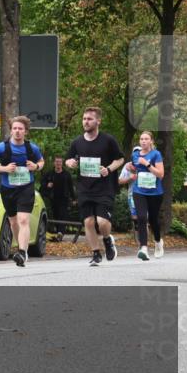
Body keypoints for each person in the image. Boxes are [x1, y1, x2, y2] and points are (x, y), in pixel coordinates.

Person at [65, 106, 125, 266]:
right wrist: (70, 163)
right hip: (85, 188)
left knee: (102, 222)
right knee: (88, 222)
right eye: (84, 119)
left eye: (89, 119)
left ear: (98, 121)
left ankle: (107, 239)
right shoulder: (77, 142)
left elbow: (120, 159)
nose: (86, 122)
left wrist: (108, 169)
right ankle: (96, 253)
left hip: (104, 187)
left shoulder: (108, 140)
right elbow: (68, 159)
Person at [0, 116, 44, 267]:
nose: (17, 131)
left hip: (26, 187)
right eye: (15, 128)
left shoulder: (32, 148)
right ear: (11, 131)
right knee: (13, 222)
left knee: (23, 220)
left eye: (20, 129)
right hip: (8, 189)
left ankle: (22, 252)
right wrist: (4, 168)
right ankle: (21, 248)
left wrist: (36, 167)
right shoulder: (1, 148)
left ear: (25, 132)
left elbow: (41, 161)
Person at [125, 132, 165, 260]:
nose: (143, 141)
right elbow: (136, 169)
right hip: (139, 191)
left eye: (146, 139)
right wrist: (130, 168)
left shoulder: (156, 154)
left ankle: (158, 242)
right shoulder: (135, 154)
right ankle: (143, 248)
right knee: (141, 217)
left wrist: (147, 164)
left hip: (155, 192)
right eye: (141, 139)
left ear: (151, 141)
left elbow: (160, 174)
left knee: (153, 219)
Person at [40, 155, 75, 241]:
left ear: (62, 163)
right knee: (56, 215)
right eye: (57, 162)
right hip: (53, 198)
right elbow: (42, 184)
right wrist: (47, 185)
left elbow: (71, 187)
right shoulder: (49, 174)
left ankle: (60, 233)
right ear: (54, 163)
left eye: (60, 162)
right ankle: (58, 232)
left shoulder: (66, 174)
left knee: (63, 215)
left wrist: (74, 198)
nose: (58, 163)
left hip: (64, 198)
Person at [118, 146, 142, 227]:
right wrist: (130, 178)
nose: (137, 155)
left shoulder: (147, 164)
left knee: (143, 219)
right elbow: (119, 181)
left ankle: (144, 235)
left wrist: (136, 173)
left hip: (146, 194)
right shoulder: (127, 166)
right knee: (135, 220)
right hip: (132, 195)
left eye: (139, 152)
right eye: (135, 153)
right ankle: (138, 234)